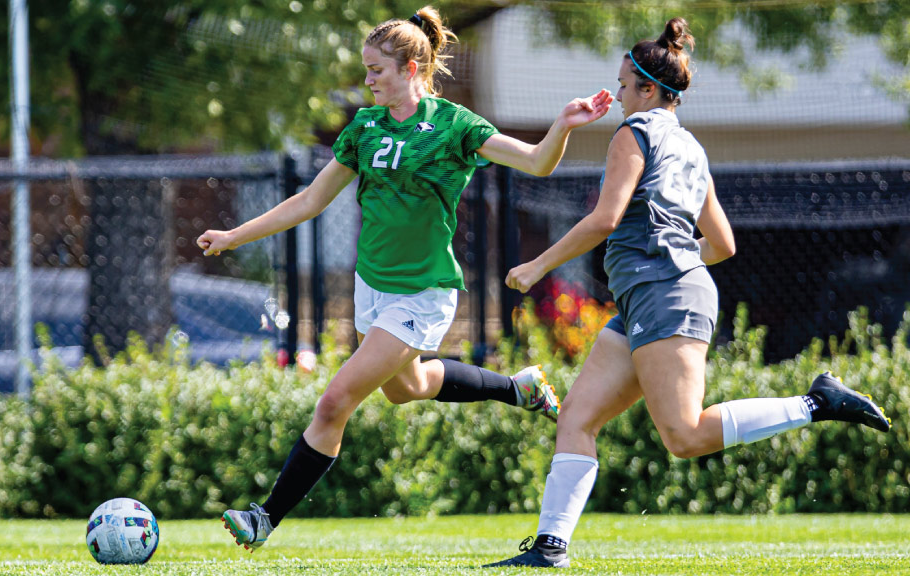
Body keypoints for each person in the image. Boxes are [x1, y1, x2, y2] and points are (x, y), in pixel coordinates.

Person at [196, 6, 614, 552]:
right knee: (407, 388)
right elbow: (308, 200)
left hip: (424, 291)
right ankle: (521, 388)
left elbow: (537, 163)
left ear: (412, 68)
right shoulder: (364, 129)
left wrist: (561, 125)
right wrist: (234, 235)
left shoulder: (454, 126)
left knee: (333, 403)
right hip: (372, 288)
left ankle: (263, 518)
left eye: (377, 70)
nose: (367, 80)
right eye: (366, 70)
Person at [484, 17, 891, 569]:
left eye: (625, 84)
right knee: (576, 417)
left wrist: (536, 266)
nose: (621, 94)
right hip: (656, 293)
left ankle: (817, 402)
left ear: (649, 90)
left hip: (662, 294)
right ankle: (550, 548)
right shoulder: (692, 148)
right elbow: (721, 243)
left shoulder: (634, 133)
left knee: (685, 435)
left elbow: (604, 219)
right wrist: (670, 257)